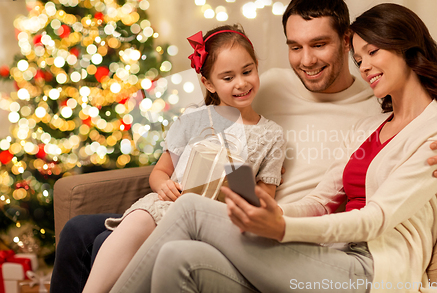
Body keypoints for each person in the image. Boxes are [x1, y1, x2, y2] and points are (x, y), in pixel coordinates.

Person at [50, 0, 437, 293]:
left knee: (189, 212)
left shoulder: (407, 119)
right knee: (171, 255)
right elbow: (324, 196)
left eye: (370, 53)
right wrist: (267, 214)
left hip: (370, 270)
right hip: (300, 237)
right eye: (294, 46)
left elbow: (376, 217)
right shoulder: (320, 104)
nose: (306, 60)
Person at [81, 24, 286, 293]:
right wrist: (162, 185)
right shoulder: (194, 118)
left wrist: (236, 176)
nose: (241, 83)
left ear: (256, 66)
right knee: (141, 217)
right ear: (209, 83)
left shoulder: (271, 135)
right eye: (228, 77)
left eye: (247, 71)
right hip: (167, 205)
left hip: (215, 219)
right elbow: (160, 172)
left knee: (168, 247)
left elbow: (264, 198)